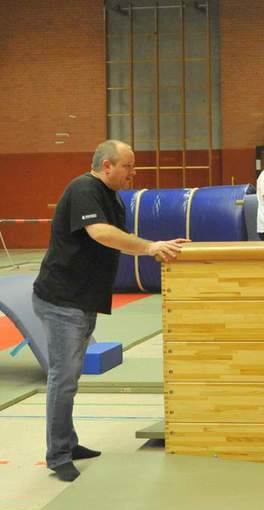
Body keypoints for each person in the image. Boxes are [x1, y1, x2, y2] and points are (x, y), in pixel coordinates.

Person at [33, 140, 189, 482]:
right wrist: (150, 247)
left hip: (82, 299)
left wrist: (156, 247)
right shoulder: (84, 189)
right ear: (107, 166)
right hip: (61, 300)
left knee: (70, 378)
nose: (133, 174)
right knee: (63, 378)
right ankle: (58, 455)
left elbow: (119, 236)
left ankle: (67, 442)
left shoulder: (112, 197)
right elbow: (101, 233)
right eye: (127, 167)